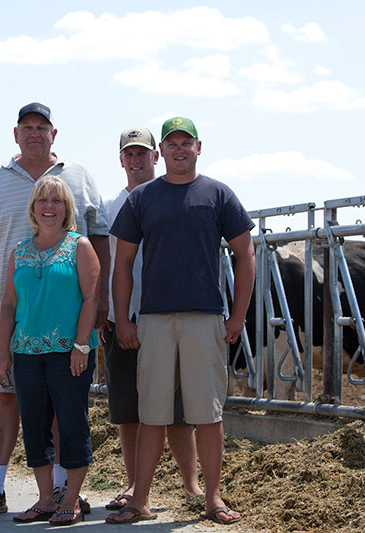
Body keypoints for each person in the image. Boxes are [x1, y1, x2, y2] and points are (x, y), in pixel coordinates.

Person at [0, 103, 109, 518]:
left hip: (66, 319)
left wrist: (104, 300)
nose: (35, 134)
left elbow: (100, 238)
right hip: (12, 317)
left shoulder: (78, 176)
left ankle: (63, 492)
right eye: (27, 127)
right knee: (6, 398)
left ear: (54, 134)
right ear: (16, 134)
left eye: (42, 127)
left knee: (63, 406)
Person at [106, 117, 255, 525]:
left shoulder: (218, 194)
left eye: (185, 142)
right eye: (172, 143)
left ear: (198, 147)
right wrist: (124, 319)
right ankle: (140, 500)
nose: (179, 149)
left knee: (207, 413)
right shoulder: (142, 199)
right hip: (153, 318)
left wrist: (237, 315)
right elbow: (123, 263)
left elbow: (246, 253)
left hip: (205, 317)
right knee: (152, 413)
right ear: (163, 152)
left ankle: (212, 499)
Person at [102, 128, 203, 513]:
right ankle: (133, 486)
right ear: (121, 160)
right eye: (129, 153)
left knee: (178, 410)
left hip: (166, 315)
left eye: (143, 152)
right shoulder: (107, 207)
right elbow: (103, 260)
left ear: (155, 157)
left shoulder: (172, 197)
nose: (136, 160)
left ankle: (191, 486)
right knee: (130, 409)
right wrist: (103, 310)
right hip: (121, 318)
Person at [0, 176, 99, 525]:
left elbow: (92, 298)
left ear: (67, 208)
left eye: (57, 201)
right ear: (33, 208)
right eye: (43, 200)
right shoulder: (20, 252)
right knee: (35, 426)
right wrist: (2, 353)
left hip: (69, 351)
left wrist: (81, 344)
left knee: (72, 422)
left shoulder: (80, 246)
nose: (49, 207)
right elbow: (9, 305)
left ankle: (70, 499)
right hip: (26, 352)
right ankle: (44, 499)